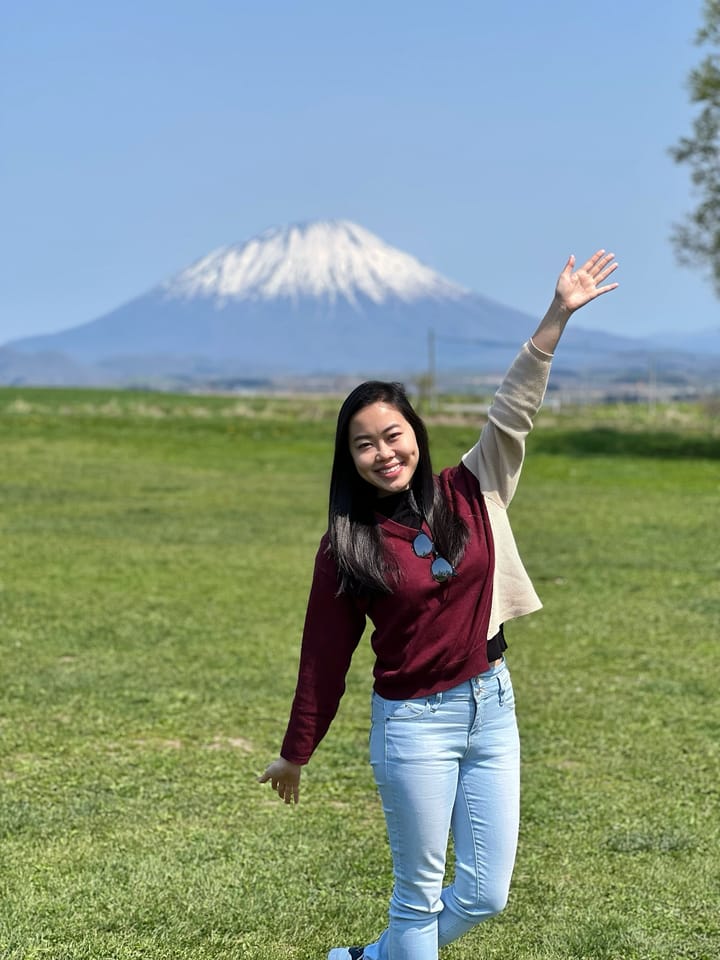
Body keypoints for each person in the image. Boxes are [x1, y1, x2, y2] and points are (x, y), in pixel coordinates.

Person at [259, 250, 619, 960]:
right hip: (414, 727)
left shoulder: (472, 487)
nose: (383, 452)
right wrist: (295, 753)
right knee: (418, 897)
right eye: (364, 444)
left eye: (393, 435)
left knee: (486, 893)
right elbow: (323, 658)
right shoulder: (345, 546)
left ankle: (365, 959)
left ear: (416, 436)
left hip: (494, 708)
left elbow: (515, 405)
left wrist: (557, 315)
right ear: (350, 459)